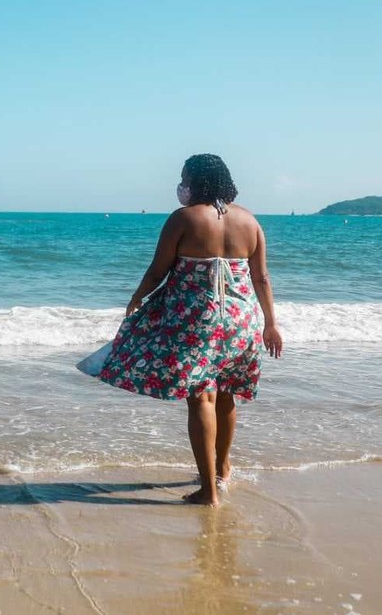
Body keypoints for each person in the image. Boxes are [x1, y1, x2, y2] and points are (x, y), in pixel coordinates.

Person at [80, 154, 282, 506]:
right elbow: (261, 277)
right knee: (227, 393)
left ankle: (208, 492)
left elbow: (158, 270)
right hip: (241, 319)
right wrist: (271, 324)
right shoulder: (249, 221)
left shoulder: (184, 218)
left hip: (197, 320)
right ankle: (222, 471)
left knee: (201, 397)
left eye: (186, 179)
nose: (182, 186)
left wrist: (137, 297)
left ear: (199, 182)